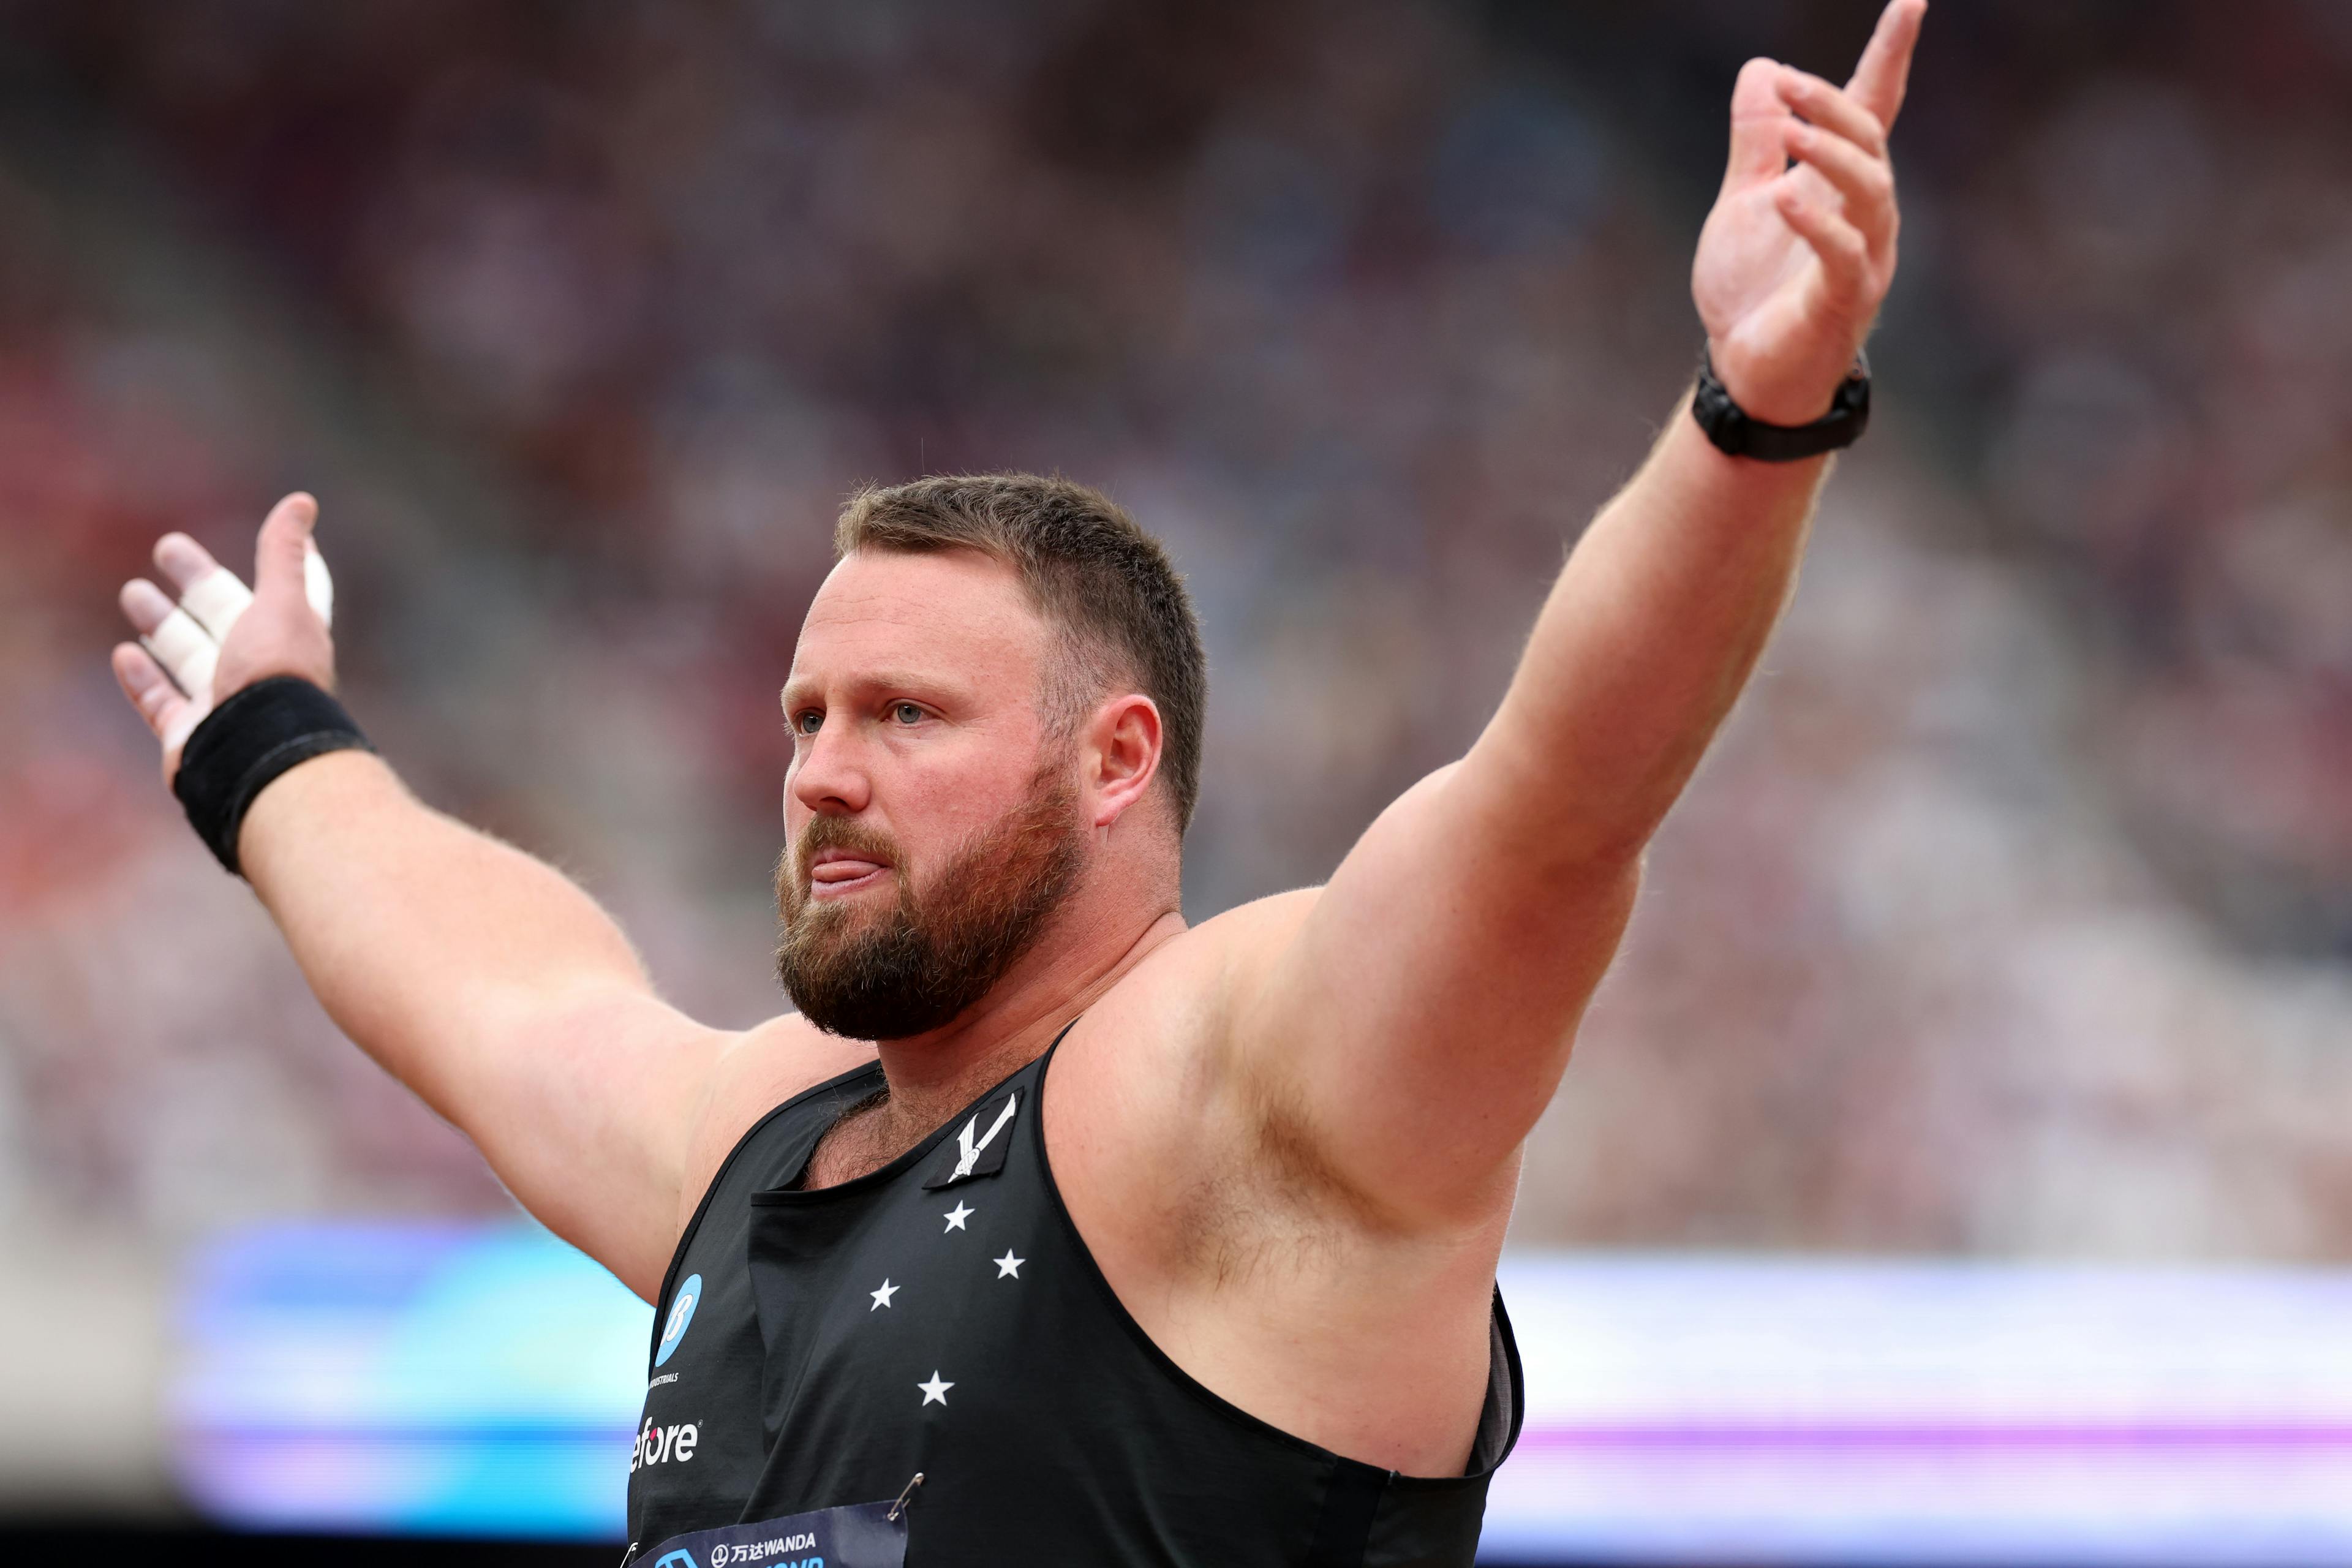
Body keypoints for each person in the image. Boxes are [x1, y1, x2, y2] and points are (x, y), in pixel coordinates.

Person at [108, 6, 1924, 1564]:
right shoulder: (754, 1152)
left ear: (1114, 757)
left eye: (905, 715)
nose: (820, 774)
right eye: (808, 717)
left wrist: (1754, 424)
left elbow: (1555, 807)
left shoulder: (1245, 1099)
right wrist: (270, 743)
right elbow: (498, 999)